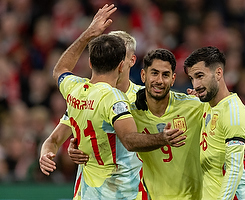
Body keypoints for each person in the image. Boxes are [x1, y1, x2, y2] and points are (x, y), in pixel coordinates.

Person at [69, 48, 245, 199]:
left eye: (165, 74)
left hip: (197, 196)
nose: (159, 80)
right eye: (154, 73)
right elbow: (96, 125)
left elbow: (226, 113)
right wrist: (78, 146)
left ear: (173, 79)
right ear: (143, 76)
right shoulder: (129, 112)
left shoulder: (195, 106)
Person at [39, 4, 186, 200]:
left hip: (130, 188)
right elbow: (57, 138)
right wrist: (73, 149)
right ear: (119, 64)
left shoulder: (146, 96)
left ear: (131, 60)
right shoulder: (100, 95)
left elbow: (59, 71)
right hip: (99, 191)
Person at [184, 46, 245, 199]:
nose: (195, 85)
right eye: (192, 78)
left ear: (218, 73)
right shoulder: (207, 104)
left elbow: (233, 171)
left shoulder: (233, 113)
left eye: (200, 76)